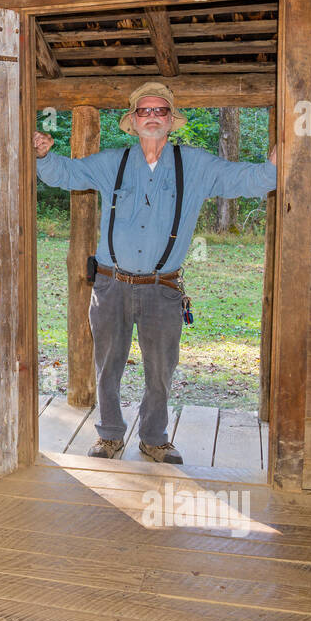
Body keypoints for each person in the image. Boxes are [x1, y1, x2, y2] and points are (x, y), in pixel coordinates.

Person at [32, 82, 277, 463]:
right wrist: (44, 155)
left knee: (161, 370)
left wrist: (273, 167)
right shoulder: (112, 162)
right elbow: (64, 174)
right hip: (111, 284)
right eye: (144, 111)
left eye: (159, 110)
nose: (151, 117)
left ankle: (154, 438)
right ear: (133, 120)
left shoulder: (196, 164)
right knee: (107, 366)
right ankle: (110, 435)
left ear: (170, 120)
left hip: (163, 289)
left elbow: (242, 180)